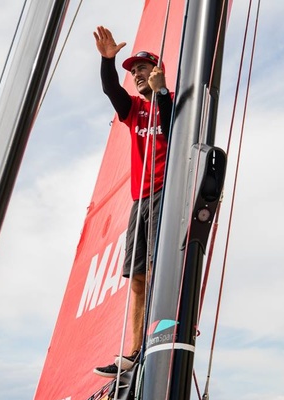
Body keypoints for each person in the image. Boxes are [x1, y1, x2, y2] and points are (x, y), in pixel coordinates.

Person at [92, 26, 173, 378]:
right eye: (132, 71)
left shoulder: (172, 104)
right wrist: (107, 61)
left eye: (142, 69)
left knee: (157, 270)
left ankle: (159, 337)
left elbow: (174, 129)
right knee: (137, 275)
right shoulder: (133, 109)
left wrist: (164, 93)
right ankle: (134, 351)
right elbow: (111, 89)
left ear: (157, 71)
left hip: (165, 195)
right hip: (139, 200)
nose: (136, 74)